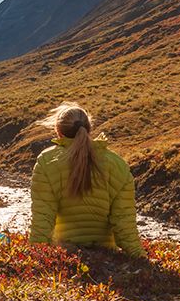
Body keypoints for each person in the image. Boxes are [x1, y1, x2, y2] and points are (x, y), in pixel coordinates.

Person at [29, 102, 145, 257]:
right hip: (106, 255)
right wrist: (140, 257)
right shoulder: (117, 164)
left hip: (66, 255)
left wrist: (35, 256)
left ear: (58, 131)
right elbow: (124, 220)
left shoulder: (47, 161)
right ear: (89, 128)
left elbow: (42, 217)